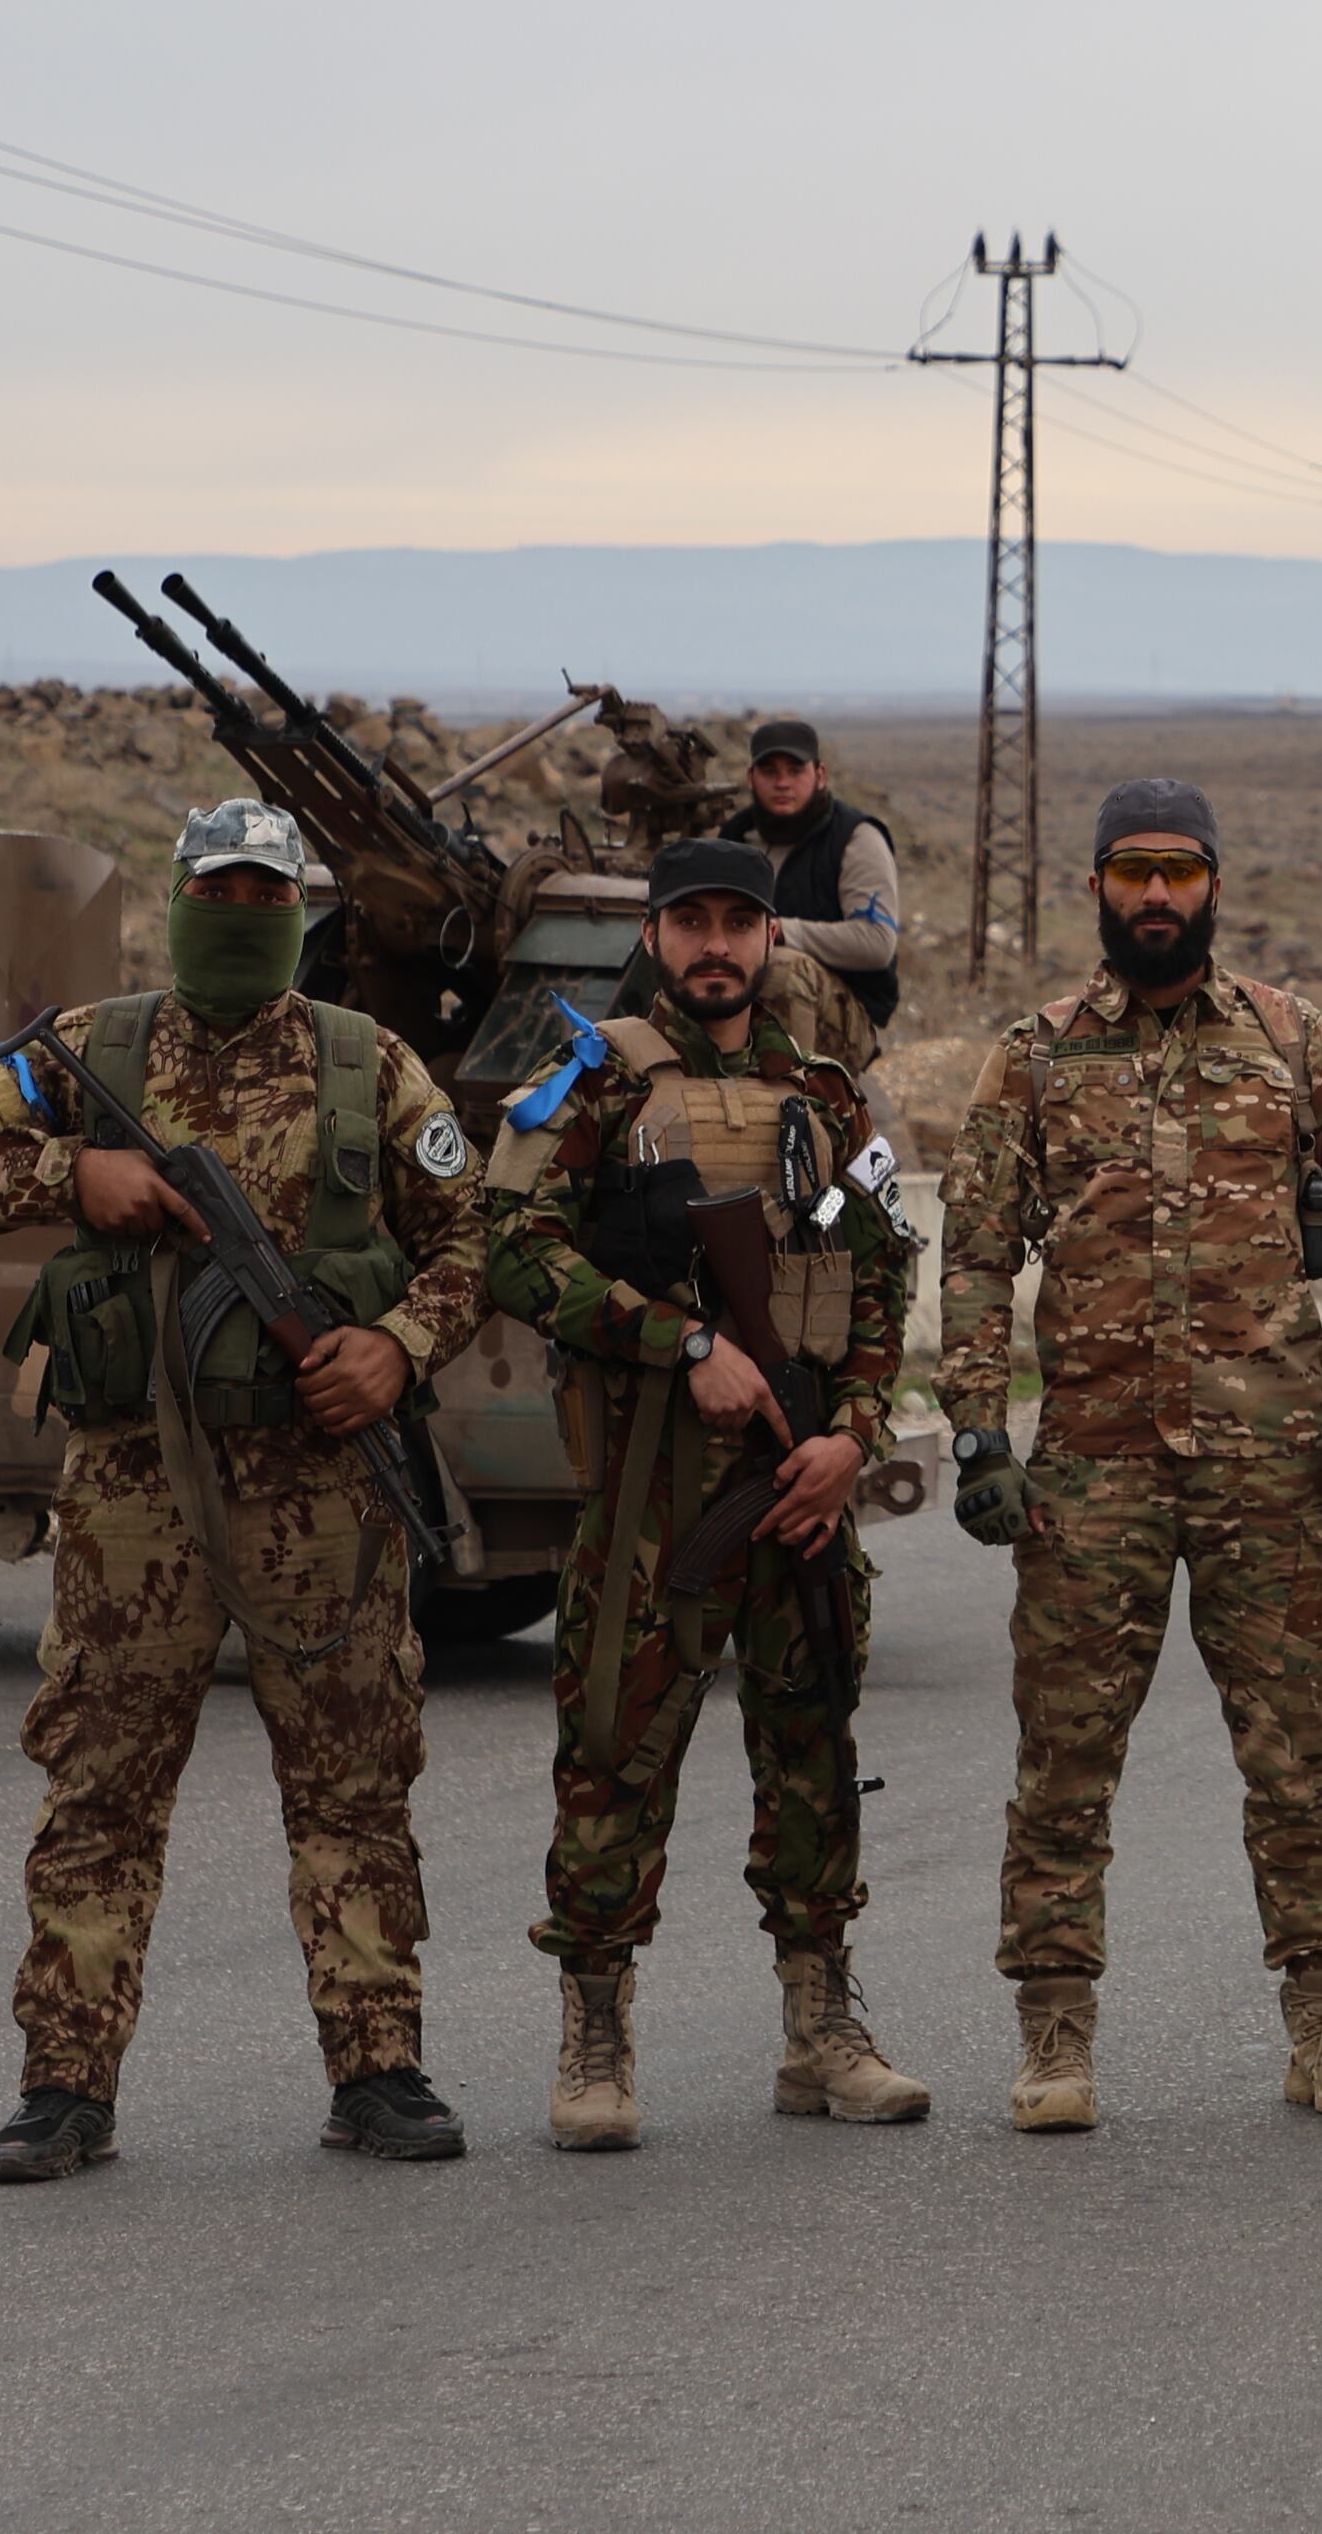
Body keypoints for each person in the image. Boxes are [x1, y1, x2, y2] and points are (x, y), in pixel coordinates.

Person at [0, 799, 488, 2182]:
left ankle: (378, 2067)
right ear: (178, 901)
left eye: (260, 895)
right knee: (100, 1791)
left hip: (320, 1491)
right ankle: (64, 2088)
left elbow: (479, 1237)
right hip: (133, 1495)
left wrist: (394, 1351)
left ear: (295, 910)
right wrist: (68, 1170)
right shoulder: (90, 1053)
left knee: (351, 1787)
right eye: (213, 892)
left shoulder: (366, 1062)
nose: (235, 915)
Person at [937, 778, 1322, 2130]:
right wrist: (978, 1428)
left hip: (1271, 1463)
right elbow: (974, 1249)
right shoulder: (1032, 1056)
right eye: (1134, 872)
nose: (1157, 896)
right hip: (1093, 1462)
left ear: (1215, 884)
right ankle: (1054, 2035)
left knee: (1294, 1756)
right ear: (1096, 886)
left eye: (1180, 873)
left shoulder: (1292, 1038)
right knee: (1065, 1758)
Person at [482, 837, 926, 2151]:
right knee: (615, 1752)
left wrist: (853, 1431)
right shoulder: (590, 1082)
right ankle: (598, 2035)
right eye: (694, 924)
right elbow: (509, 1249)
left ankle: (822, 2030)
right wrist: (678, 1343)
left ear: (773, 938)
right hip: (649, 1488)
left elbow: (881, 1273)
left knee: (814, 1751)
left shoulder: (830, 1094)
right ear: (662, 936)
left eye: (742, 922)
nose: (719, 944)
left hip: (799, 1479)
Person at [732, 719, 906, 1037]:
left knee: (783, 969)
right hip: (743, 998)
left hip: (845, 1015)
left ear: (820, 775)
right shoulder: (736, 836)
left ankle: (793, 1085)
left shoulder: (855, 838)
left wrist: (783, 931)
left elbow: (878, 943)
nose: (782, 783)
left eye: (795, 771)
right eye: (770, 771)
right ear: (751, 778)